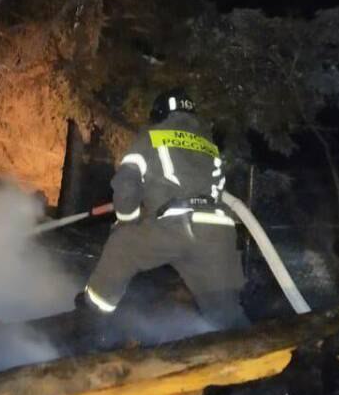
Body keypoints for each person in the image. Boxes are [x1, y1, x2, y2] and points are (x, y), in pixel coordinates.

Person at [77, 87, 248, 329]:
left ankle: (92, 317)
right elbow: (212, 189)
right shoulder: (208, 144)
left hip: (175, 228)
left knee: (122, 246)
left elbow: (126, 183)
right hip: (218, 233)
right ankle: (254, 351)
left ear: (159, 112)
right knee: (226, 314)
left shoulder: (152, 136)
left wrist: (128, 218)